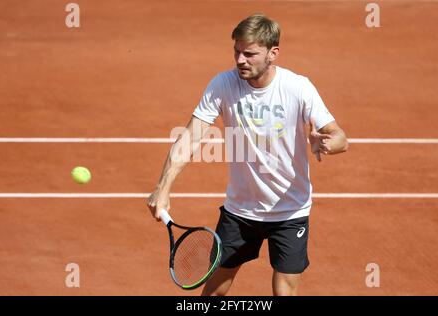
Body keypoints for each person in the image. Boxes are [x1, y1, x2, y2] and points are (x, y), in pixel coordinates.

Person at [147, 14, 348, 296]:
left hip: (291, 211)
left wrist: (327, 143)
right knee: (214, 292)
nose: (241, 60)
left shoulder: (297, 87)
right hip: (240, 211)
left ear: (273, 53)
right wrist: (162, 187)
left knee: (284, 292)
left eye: (250, 54)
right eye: (237, 52)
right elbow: (189, 138)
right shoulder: (223, 84)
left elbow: (340, 137)